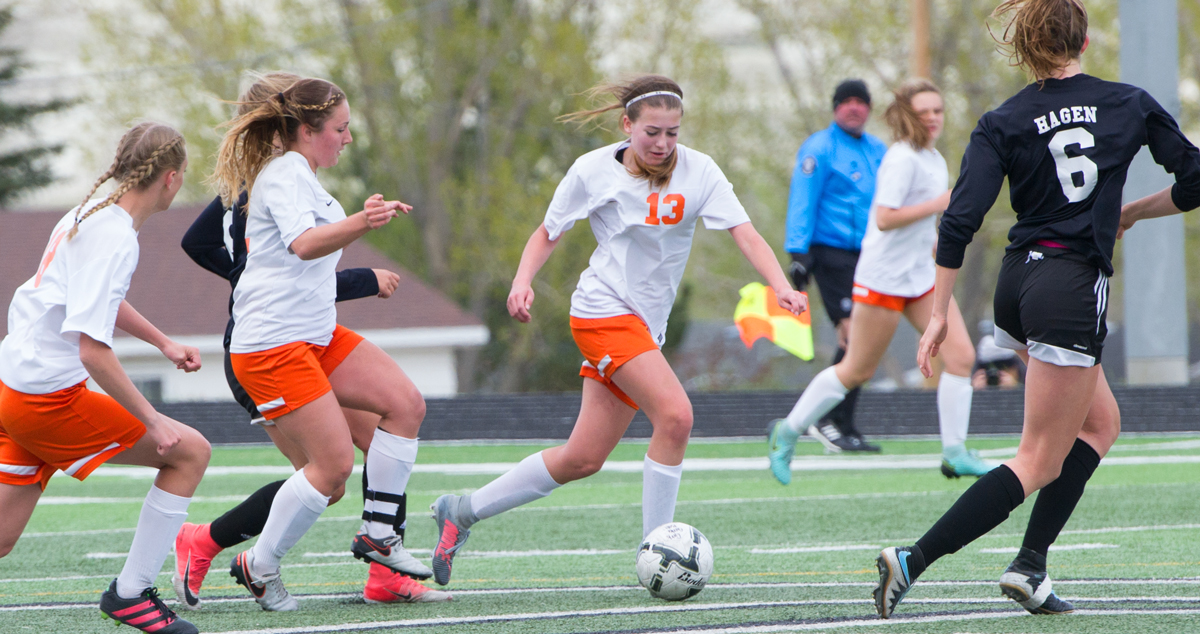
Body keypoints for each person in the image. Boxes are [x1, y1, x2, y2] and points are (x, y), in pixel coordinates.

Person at [874, 0, 1200, 619]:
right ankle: (913, 559)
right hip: (1071, 289)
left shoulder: (1004, 118)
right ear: (1083, 38)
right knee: (1038, 458)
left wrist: (940, 312)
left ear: (1026, 45)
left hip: (1017, 288)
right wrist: (1132, 211)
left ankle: (1030, 567)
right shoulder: (1128, 101)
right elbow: (1195, 178)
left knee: (1100, 425)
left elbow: (959, 221)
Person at [425, 74, 806, 586]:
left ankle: (462, 510)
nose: (663, 144)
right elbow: (547, 233)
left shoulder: (700, 171)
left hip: (645, 329)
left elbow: (746, 233)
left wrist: (779, 284)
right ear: (626, 126)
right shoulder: (591, 171)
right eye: (652, 132)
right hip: (602, 314)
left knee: (582, 458)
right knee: (675, 417)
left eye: (673, 132)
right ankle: (660, 554)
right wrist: (522, 281)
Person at [172, 72, 447, 609]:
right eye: (341, 128)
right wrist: (362, 226)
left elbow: (302, 262)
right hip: (272, 344)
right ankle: (246, 557)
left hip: (314, 334)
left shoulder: (301, 174)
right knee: (329, 471)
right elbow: (301, 247)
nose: (348, 137)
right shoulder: (280, 174)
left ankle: (380, 542)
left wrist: (358, 231)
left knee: (404, 407)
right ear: (302, 128)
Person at [0, 123, 211, 633]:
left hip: (13, 389)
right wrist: (153, 420)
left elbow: (95, 302)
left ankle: (131, 594)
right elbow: (93, 352)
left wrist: (161, 341)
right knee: (189, 451)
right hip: (46, 400)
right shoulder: (116, 235)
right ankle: (131, 594)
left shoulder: (89, 213)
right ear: (170, 178)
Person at [768, 79, 994, 483]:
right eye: (923, 112)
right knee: (856, 369)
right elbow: (885, 217)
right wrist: (941, 202)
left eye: (937, 111)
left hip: (920, 278)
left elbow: (926, 225)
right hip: (883, 278)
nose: (932, 118)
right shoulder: (901, 158)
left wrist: (943, 247)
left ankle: (955, 452)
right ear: (907, 115)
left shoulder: (934, 159)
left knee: (960, 357)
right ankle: (786, 433)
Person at [782, 79, 888, 453]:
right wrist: (798, 254)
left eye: (861, 102)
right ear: (835, 108)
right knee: (853, 336)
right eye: (847, 102)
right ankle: (826, 420)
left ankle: (843, 422)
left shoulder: (878, 150)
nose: (854, 108)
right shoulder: (819, 148)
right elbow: (803, 199)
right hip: (831, 254)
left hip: (870, 255)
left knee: (863, 343)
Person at [972, 320, 1023, 389]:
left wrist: (1016, 388)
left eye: (1005, 365)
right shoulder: (971, 388)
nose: (995, 372)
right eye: (987, 367)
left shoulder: (1029, 384)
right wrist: (974, 392)